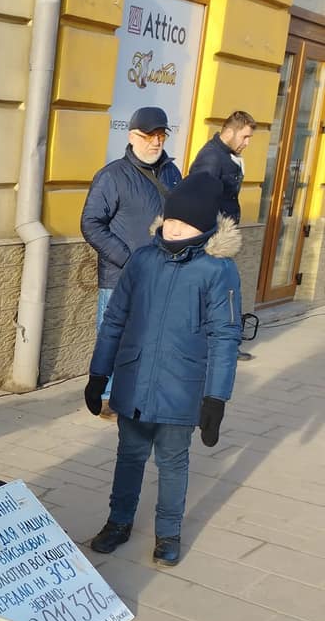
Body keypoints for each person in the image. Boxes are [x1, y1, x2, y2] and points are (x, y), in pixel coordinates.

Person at [84, 173, 241, 567]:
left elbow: (225, 338)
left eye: (184, 224)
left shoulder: (216, 271)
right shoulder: (143, 260)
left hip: (181, 388)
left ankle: (168, 532)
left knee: (173, 462)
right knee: (129, 455)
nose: (173, 228)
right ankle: (118, 522)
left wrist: (216, 398)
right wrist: (99, 373)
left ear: (203, 229)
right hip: (135, 381)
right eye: (170, 220)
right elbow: (115, 319)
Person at [81, 107, 182, 416]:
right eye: (149, 135)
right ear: (132, 135)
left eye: (161, 135)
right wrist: (128, 260)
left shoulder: (172, 173)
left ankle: (139, 392)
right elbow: (91, 224)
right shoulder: (112, 176)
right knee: (113, 336)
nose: (156, 142)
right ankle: (110, 399)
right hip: (120, 277)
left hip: (161, 274)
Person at [188, 110, 255, 224]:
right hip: (213, 233)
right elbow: (201, 203)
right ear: (229, 133)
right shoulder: (211, 157)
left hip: (224, 229)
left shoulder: (229, 155)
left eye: (249, 137)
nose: (247, 143)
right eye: (244, 137)